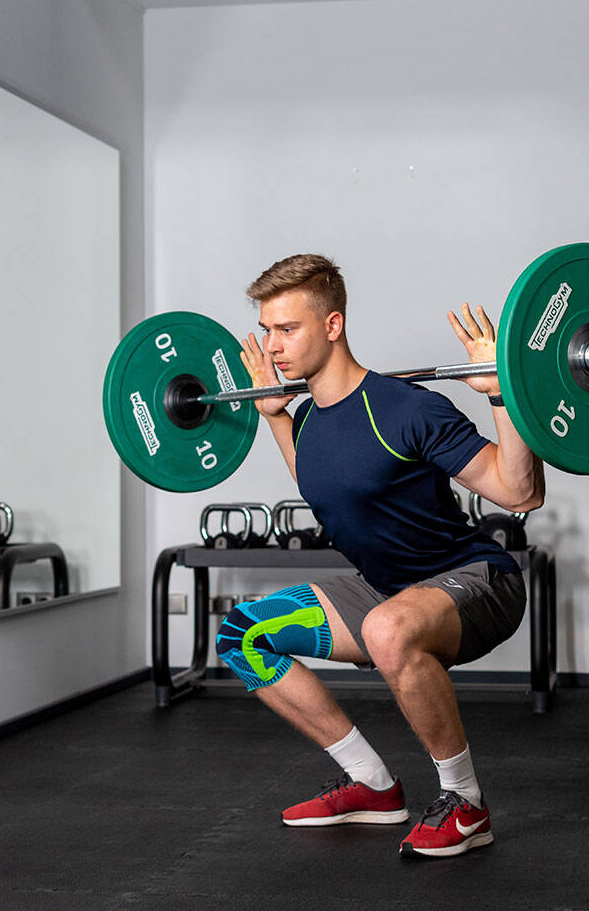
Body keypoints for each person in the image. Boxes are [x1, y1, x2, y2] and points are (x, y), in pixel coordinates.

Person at [216, 253, 545, 858]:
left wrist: (504, 393)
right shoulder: (310, 417)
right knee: (242, 633)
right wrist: (276, 418)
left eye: (287, 329)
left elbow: (520, 491)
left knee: (387, 629)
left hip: (477, 580)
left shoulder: (406, 407)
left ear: (333, 325)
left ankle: (466, 804)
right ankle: (371, 784)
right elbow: (325, 484)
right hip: (385, 589)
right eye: (267, 330)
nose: (273, 346)